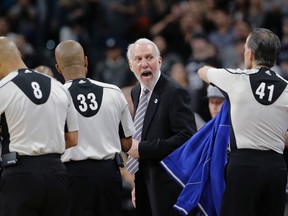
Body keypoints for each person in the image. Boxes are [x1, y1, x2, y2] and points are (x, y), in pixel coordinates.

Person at [198, 28, 288, 216]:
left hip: (244, 166)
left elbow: (203, 71)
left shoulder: (236, 78)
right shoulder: (287, 88)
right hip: (276, 167)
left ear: (251, 54)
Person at [54, 40, 135, 216]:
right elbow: (127, 144)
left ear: (58, 68)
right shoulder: (114, 91)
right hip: (108, 174)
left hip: (72, 175)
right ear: (85, 61)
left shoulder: (55, 96)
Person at [0, 36, 79, 216]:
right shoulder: (59, 86)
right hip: (56, 173)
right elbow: (73, 138)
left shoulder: (2, 88)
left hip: (19, 174)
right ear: (18, 54)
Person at [126, 38, 197, 216]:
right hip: (145, 180)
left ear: (159, 61)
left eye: (149, 57)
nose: (144, 64)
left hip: (168, 185)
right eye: (138, 59)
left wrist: (143, 149)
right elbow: (143, 132)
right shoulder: (136, 91)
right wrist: (138, 182)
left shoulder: (175, 92)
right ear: (131, 65)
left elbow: (187, 138)